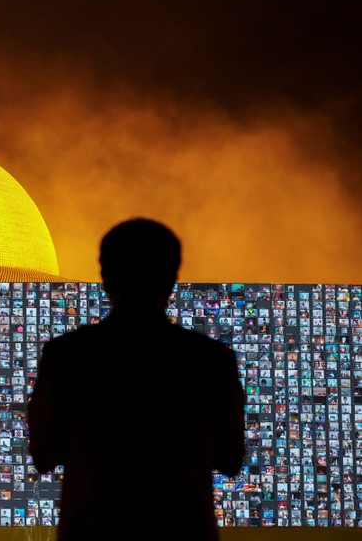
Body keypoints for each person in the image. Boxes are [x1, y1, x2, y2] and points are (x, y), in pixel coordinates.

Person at [28, 219, 244, 540]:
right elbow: (230, 460)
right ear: (172, 279)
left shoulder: (66, 356)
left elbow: (44, 456)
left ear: (105, 278)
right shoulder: (211, 360)